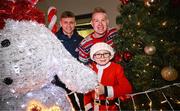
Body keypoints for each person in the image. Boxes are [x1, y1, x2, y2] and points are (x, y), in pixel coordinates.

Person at [84, 42, 132, 111]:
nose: (102, 57)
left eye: (105, 54)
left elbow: (127, 88)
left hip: (110, 107)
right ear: (93, 57)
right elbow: (87, 90)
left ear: (110, 55)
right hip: (94, 107)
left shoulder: (116, 68)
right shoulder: (91, 69)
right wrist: (88, 105)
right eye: (98, 54)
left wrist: (105, 90)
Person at [52, 11, 84, 110]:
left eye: (71, 22)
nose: (68, 25)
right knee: (69, 107)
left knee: (83, 105)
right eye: (65, 22)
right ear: (61, 23)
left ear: (75, 23)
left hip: (78, 80)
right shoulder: (54, 39)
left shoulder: (81, 39)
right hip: (61, 81)